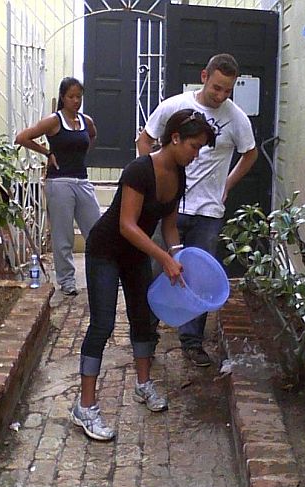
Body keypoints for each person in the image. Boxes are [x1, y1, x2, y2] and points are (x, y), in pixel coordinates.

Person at [70, 109, 216, 441]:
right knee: (103, 324)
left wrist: (180, 259)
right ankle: (85, 408)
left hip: (137, 253)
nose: (196, 155)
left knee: (142, 318)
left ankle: (143, 384)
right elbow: (126, 224)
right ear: (175, 138)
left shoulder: (179, 174)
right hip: (106, 250)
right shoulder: (139, 169)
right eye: (194, 147)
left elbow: (168, 226)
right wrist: (163, 258)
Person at [136, 53, 258, 367]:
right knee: (156, 269)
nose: (220, 95)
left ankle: (191, 342)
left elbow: (250, 153)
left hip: (208, 211)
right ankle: (146, 334)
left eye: (227, 90)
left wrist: (228, 184)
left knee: (198, 279)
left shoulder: (236, 119)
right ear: (204, 76)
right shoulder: (174, 106)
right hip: (170, 206)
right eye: (216, 87)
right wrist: (154, 181)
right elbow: (145, 140)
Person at [15, 77, 101, 296]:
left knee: (97, 232)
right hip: (59, 182)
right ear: (63, 97)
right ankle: (67, 280)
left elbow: (92, 136)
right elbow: (22, 137)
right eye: (71, 97)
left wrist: (80, 154)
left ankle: (100, 276)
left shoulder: (86, 121)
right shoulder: (54, 121)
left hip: (82, 181)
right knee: (63, 236)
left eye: (79, 97)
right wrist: (47, 153)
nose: (75, 101)